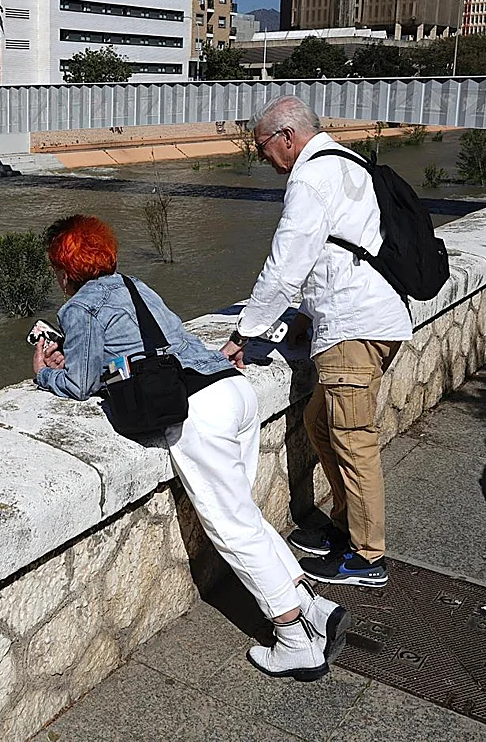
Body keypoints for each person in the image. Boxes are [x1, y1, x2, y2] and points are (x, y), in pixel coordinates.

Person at [34, 214, 350, 681]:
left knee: (231, 527)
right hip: (231, 388)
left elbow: (79, 384)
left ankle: (292, 639)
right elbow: (149, 345)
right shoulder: (137, 286)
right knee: (243, 513)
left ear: (65, 270)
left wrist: (44, 371)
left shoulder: (79, 308)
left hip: (199, 409)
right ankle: (313, 608)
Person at [221, 96, 411, 589]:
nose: (261, 157)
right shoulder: (348, 162)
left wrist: (244, 334)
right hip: (371, 320)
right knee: (319, 422)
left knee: (353, 441)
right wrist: (306, 316)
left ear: (286, 137)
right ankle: (346, 528)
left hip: (354, 329)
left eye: (261, 147)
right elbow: (341, 249)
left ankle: (367, 557)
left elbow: (285, 267)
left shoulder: (310, 178)